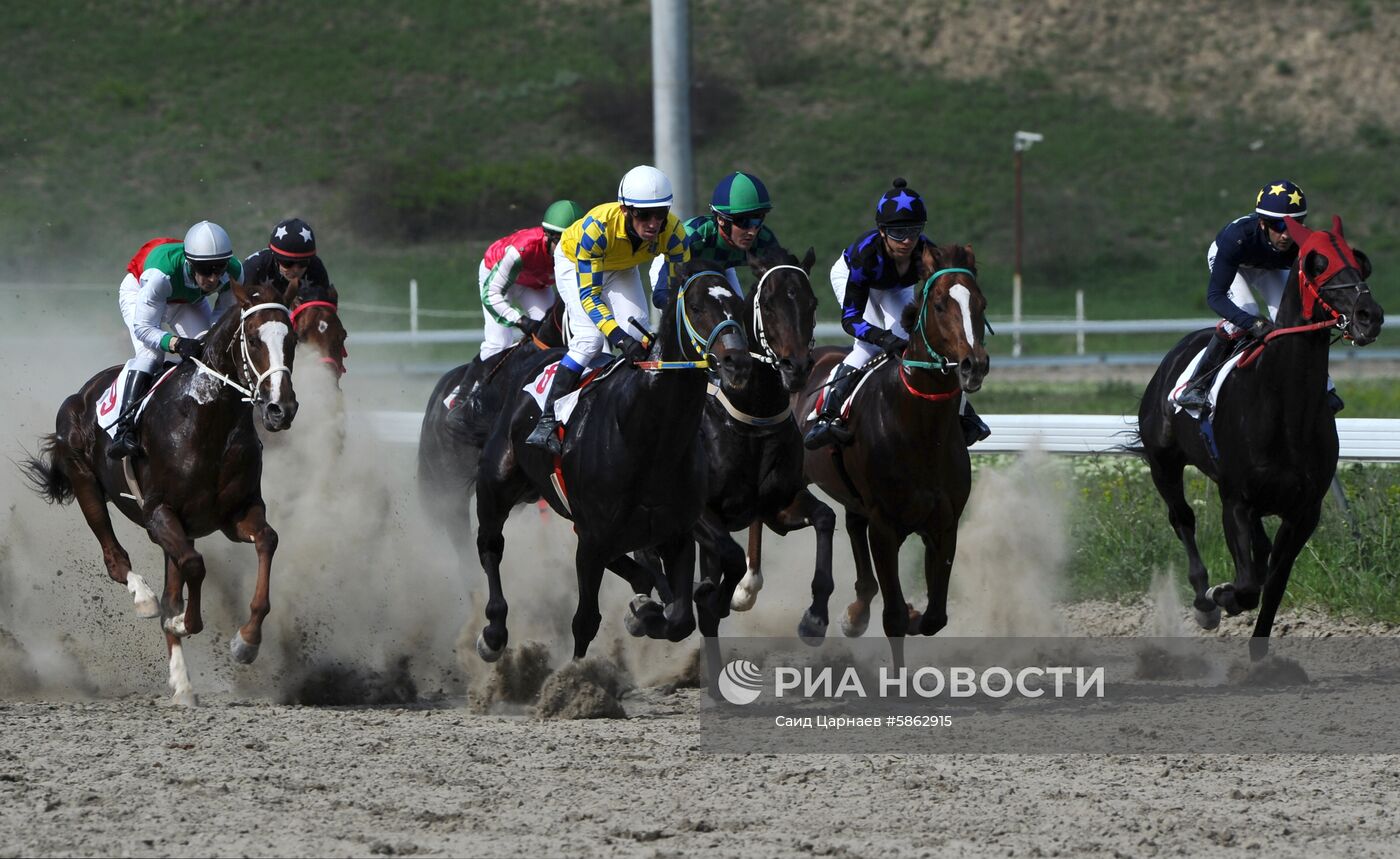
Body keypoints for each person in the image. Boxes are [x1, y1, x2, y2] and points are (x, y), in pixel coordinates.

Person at [803, 178, 991, 451]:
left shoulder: (927, 253)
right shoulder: (865, 256)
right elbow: (851, 320)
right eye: (898, 233)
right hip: (858, 280)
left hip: (895, 286)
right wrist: (883, 338)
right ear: (882, 231)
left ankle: (964, 413)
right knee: (868, 346)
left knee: (910, 342)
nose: (907, 240)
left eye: (914, 231)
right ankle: (827, 414)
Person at [525, 165, 690, 454]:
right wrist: (618, 338)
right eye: (643, 214)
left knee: (638, 330)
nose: (653, 223)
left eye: (660, 213)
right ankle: (547, 419)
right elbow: (590, 296)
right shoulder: (596, 229)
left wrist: (667, 298)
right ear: (626, 210)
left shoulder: (674, 232)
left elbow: (680, 285)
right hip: (575, 261)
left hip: (621, 265)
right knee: (590, 339)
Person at [1175, 179, 1341, 412]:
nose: (1286, 235)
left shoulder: (1302, 244)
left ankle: (1324, 386)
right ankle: (1196, 385)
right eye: (1278, 226)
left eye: (1294, 226)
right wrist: (1252, 323)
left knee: (1295, 318)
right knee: (1248, 312)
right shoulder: (1235, 238)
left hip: (1268, 267)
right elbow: (1215, 296)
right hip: (1236, 262)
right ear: (1263, 223)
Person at [109, 221, 243, 459]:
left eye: (219, 269)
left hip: (185, 300)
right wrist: (176, 343)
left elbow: (223, 317)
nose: (213, 278)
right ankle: (124, 428)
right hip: (141, 294)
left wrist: (208, 338)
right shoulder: (160, 274)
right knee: (151, 355)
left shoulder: (234, 271)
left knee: (210, 351)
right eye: (205, 270)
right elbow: (144, 328)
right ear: (190, 263)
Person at [476, 200, 584, 360]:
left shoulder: (583, 252)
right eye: (561, 242)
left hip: (535, 283)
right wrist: (520, 320)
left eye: (575, 243)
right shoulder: (522, 249)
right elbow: (491, 294)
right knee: (498, 344)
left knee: (549, 337)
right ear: (547, 236)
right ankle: (477, 383)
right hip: (497, 278)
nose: (568, 250)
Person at [651, 171, 778, 302]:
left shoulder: (764, 239)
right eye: (744, 222)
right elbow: (660, 296)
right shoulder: (692, 238)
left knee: (737, 313)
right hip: (672, 261)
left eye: (758, 220)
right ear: (721, 219)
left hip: (721, 267)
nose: (752, 231)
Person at [241, 217, 336, 302]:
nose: (296, 270)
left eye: (303, 263)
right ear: (275, 258)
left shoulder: (316, 267)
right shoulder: (255, 266)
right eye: (288, 263)